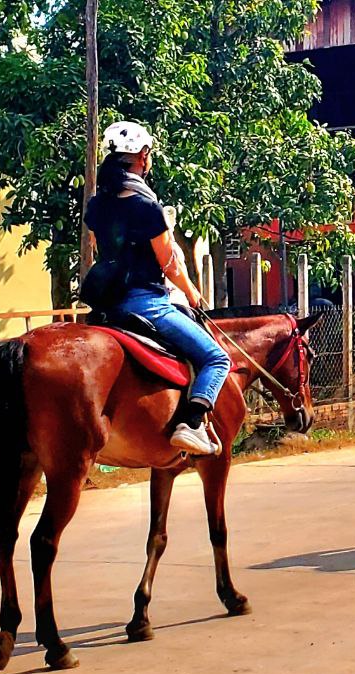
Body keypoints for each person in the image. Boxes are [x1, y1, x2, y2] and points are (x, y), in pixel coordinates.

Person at [84, 120, 231, 453]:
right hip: (146, 302)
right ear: (143, 156)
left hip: (107, 307)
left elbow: (97, 245)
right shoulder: (147, 207)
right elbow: (168, 262)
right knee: (216, 358)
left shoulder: (97, 205)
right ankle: (192, 424)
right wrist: (192, 293)